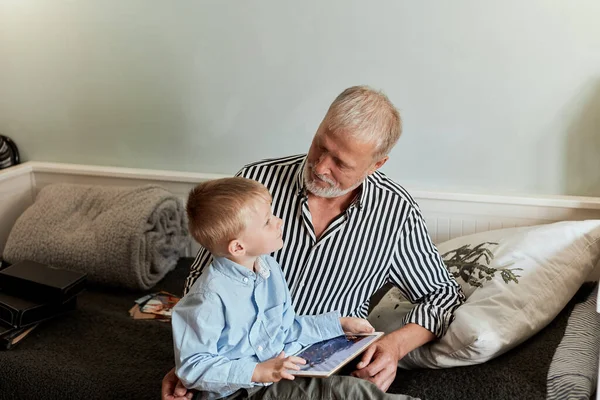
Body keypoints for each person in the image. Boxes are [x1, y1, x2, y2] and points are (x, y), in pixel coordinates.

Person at [163, 86, 465, 400]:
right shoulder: (255, 185)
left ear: (376, 164)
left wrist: (393, 347)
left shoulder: (396, 214)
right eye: (320, 144)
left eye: (341, 163)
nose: (320, 166)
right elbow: (201, 284)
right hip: (240, 368)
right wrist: (193, 367)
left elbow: (443, 296)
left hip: (318, 370)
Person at [172, 177, 418, 400]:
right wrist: (257, 371)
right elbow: (193, 367)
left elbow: (287, 327)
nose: (279, 222)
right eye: (268, 222)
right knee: (346, 393)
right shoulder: (208, 298)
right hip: (240, 391)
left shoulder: (269, 268)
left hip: (280, 372)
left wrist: (337, 324)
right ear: (238, 248)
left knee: (347, 389)